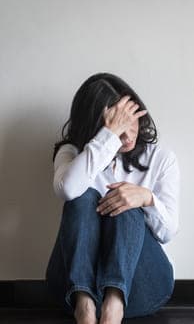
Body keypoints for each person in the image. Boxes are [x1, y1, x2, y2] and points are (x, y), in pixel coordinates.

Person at [45, 72, 180, 324]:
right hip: (71, 289)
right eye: (119, 127)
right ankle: (84, 307)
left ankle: (113, 308)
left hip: (143, 286)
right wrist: (107, 137)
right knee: (82, 194)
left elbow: (168, 232)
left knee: (126, 200)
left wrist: (147, 198)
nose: (128, 136)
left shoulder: (160, 159)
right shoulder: (72, 154)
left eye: (131, 122)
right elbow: (67, 190)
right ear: (97, 129)